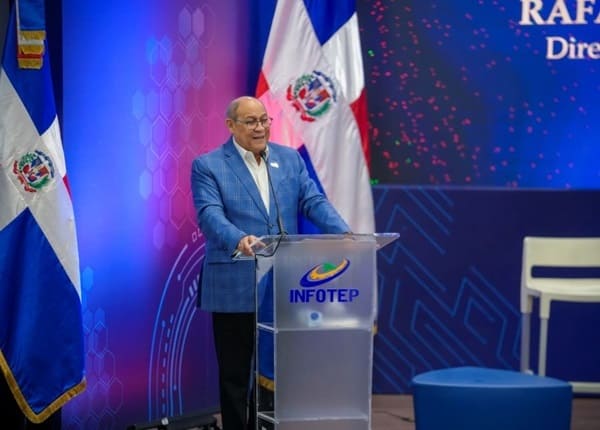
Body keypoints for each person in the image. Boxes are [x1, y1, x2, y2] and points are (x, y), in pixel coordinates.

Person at [190, 96, 350, 430]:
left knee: (278, 370)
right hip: (235, 283)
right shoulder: (208, 165)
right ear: (231, 125)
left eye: (264, 120)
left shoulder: (289, 159)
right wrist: (239, 238)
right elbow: (209, 214)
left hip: (282, 283)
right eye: (250, 122)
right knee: (236, 375)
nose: (260, 128)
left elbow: (312, 200)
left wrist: (345, 233)